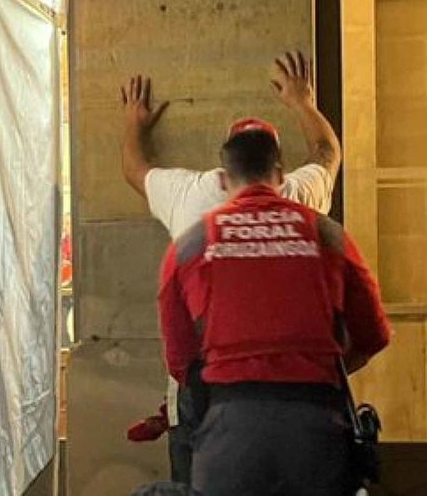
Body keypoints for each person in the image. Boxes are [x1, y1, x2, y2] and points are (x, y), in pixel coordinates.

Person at [119, 51, 343, 485]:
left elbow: (134, 170)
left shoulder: (191, 195)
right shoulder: (297, 196)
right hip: (292, 399)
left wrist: (134, 121)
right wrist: (303, 102)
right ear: (276, 167)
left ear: (225, 168)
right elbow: (328, 153)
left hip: (207, 398)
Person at [158, 127, 390, 496]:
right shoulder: (327, 234)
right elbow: (374, 333)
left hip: (230, 430)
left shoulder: (191, 244)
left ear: (223, 179)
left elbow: (180, 359)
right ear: (280, 176)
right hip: (315, 430)